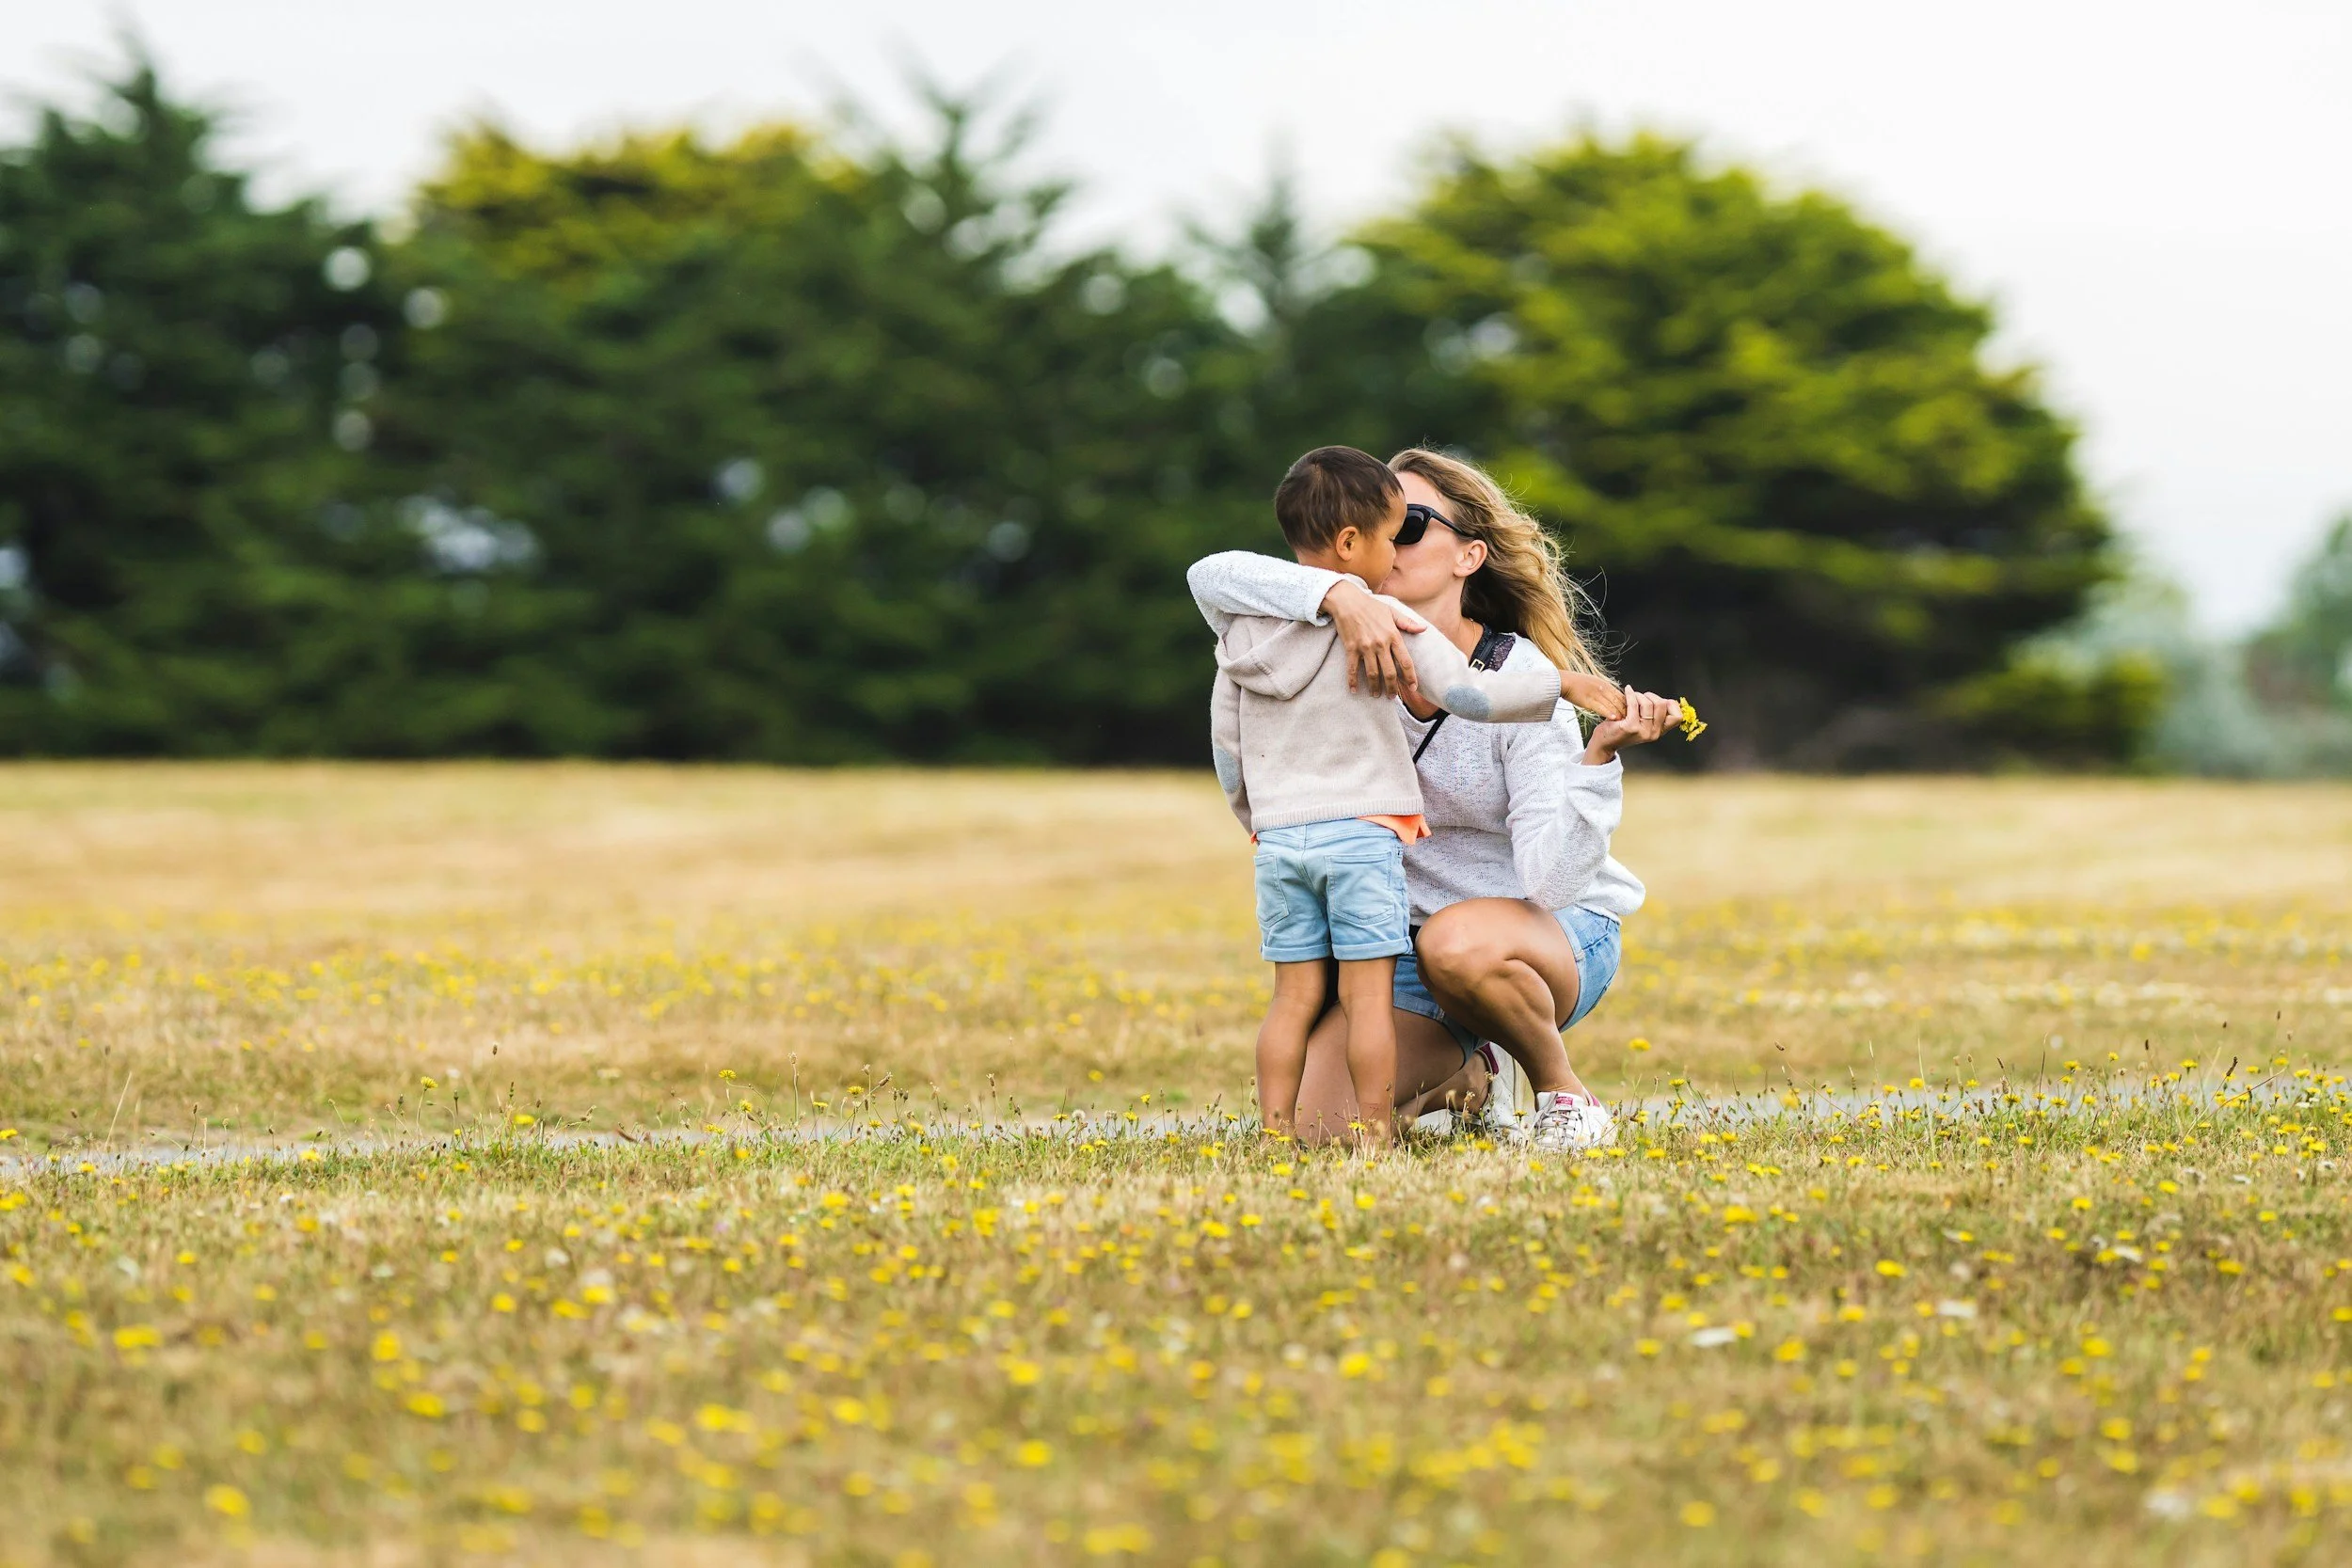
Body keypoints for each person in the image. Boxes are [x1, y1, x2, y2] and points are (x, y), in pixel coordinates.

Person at [1188, 448, 1681, 1150]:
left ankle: (1562, 1093)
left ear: (1469, 556)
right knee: (1320, 1129)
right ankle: (1471, 1078)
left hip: (1544, 933)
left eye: (1410, 523)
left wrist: (1595, 760)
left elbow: (1550, 881)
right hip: (1406, 944)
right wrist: (1338, 596)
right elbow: (1210, 577)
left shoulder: (1518, 678)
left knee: (1459, 942)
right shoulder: (1327, 644)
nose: (1388, 539)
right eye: (1375, 520)